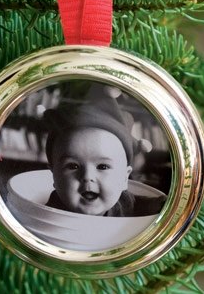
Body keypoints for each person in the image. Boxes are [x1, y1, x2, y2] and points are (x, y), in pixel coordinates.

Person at [43, 83, 167, 217]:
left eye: (102, 166)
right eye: (72, 166)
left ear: (124, 178)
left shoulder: (129, 205)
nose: (87, 177)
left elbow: (150, 205)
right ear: (54, 175)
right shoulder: (48, 213)